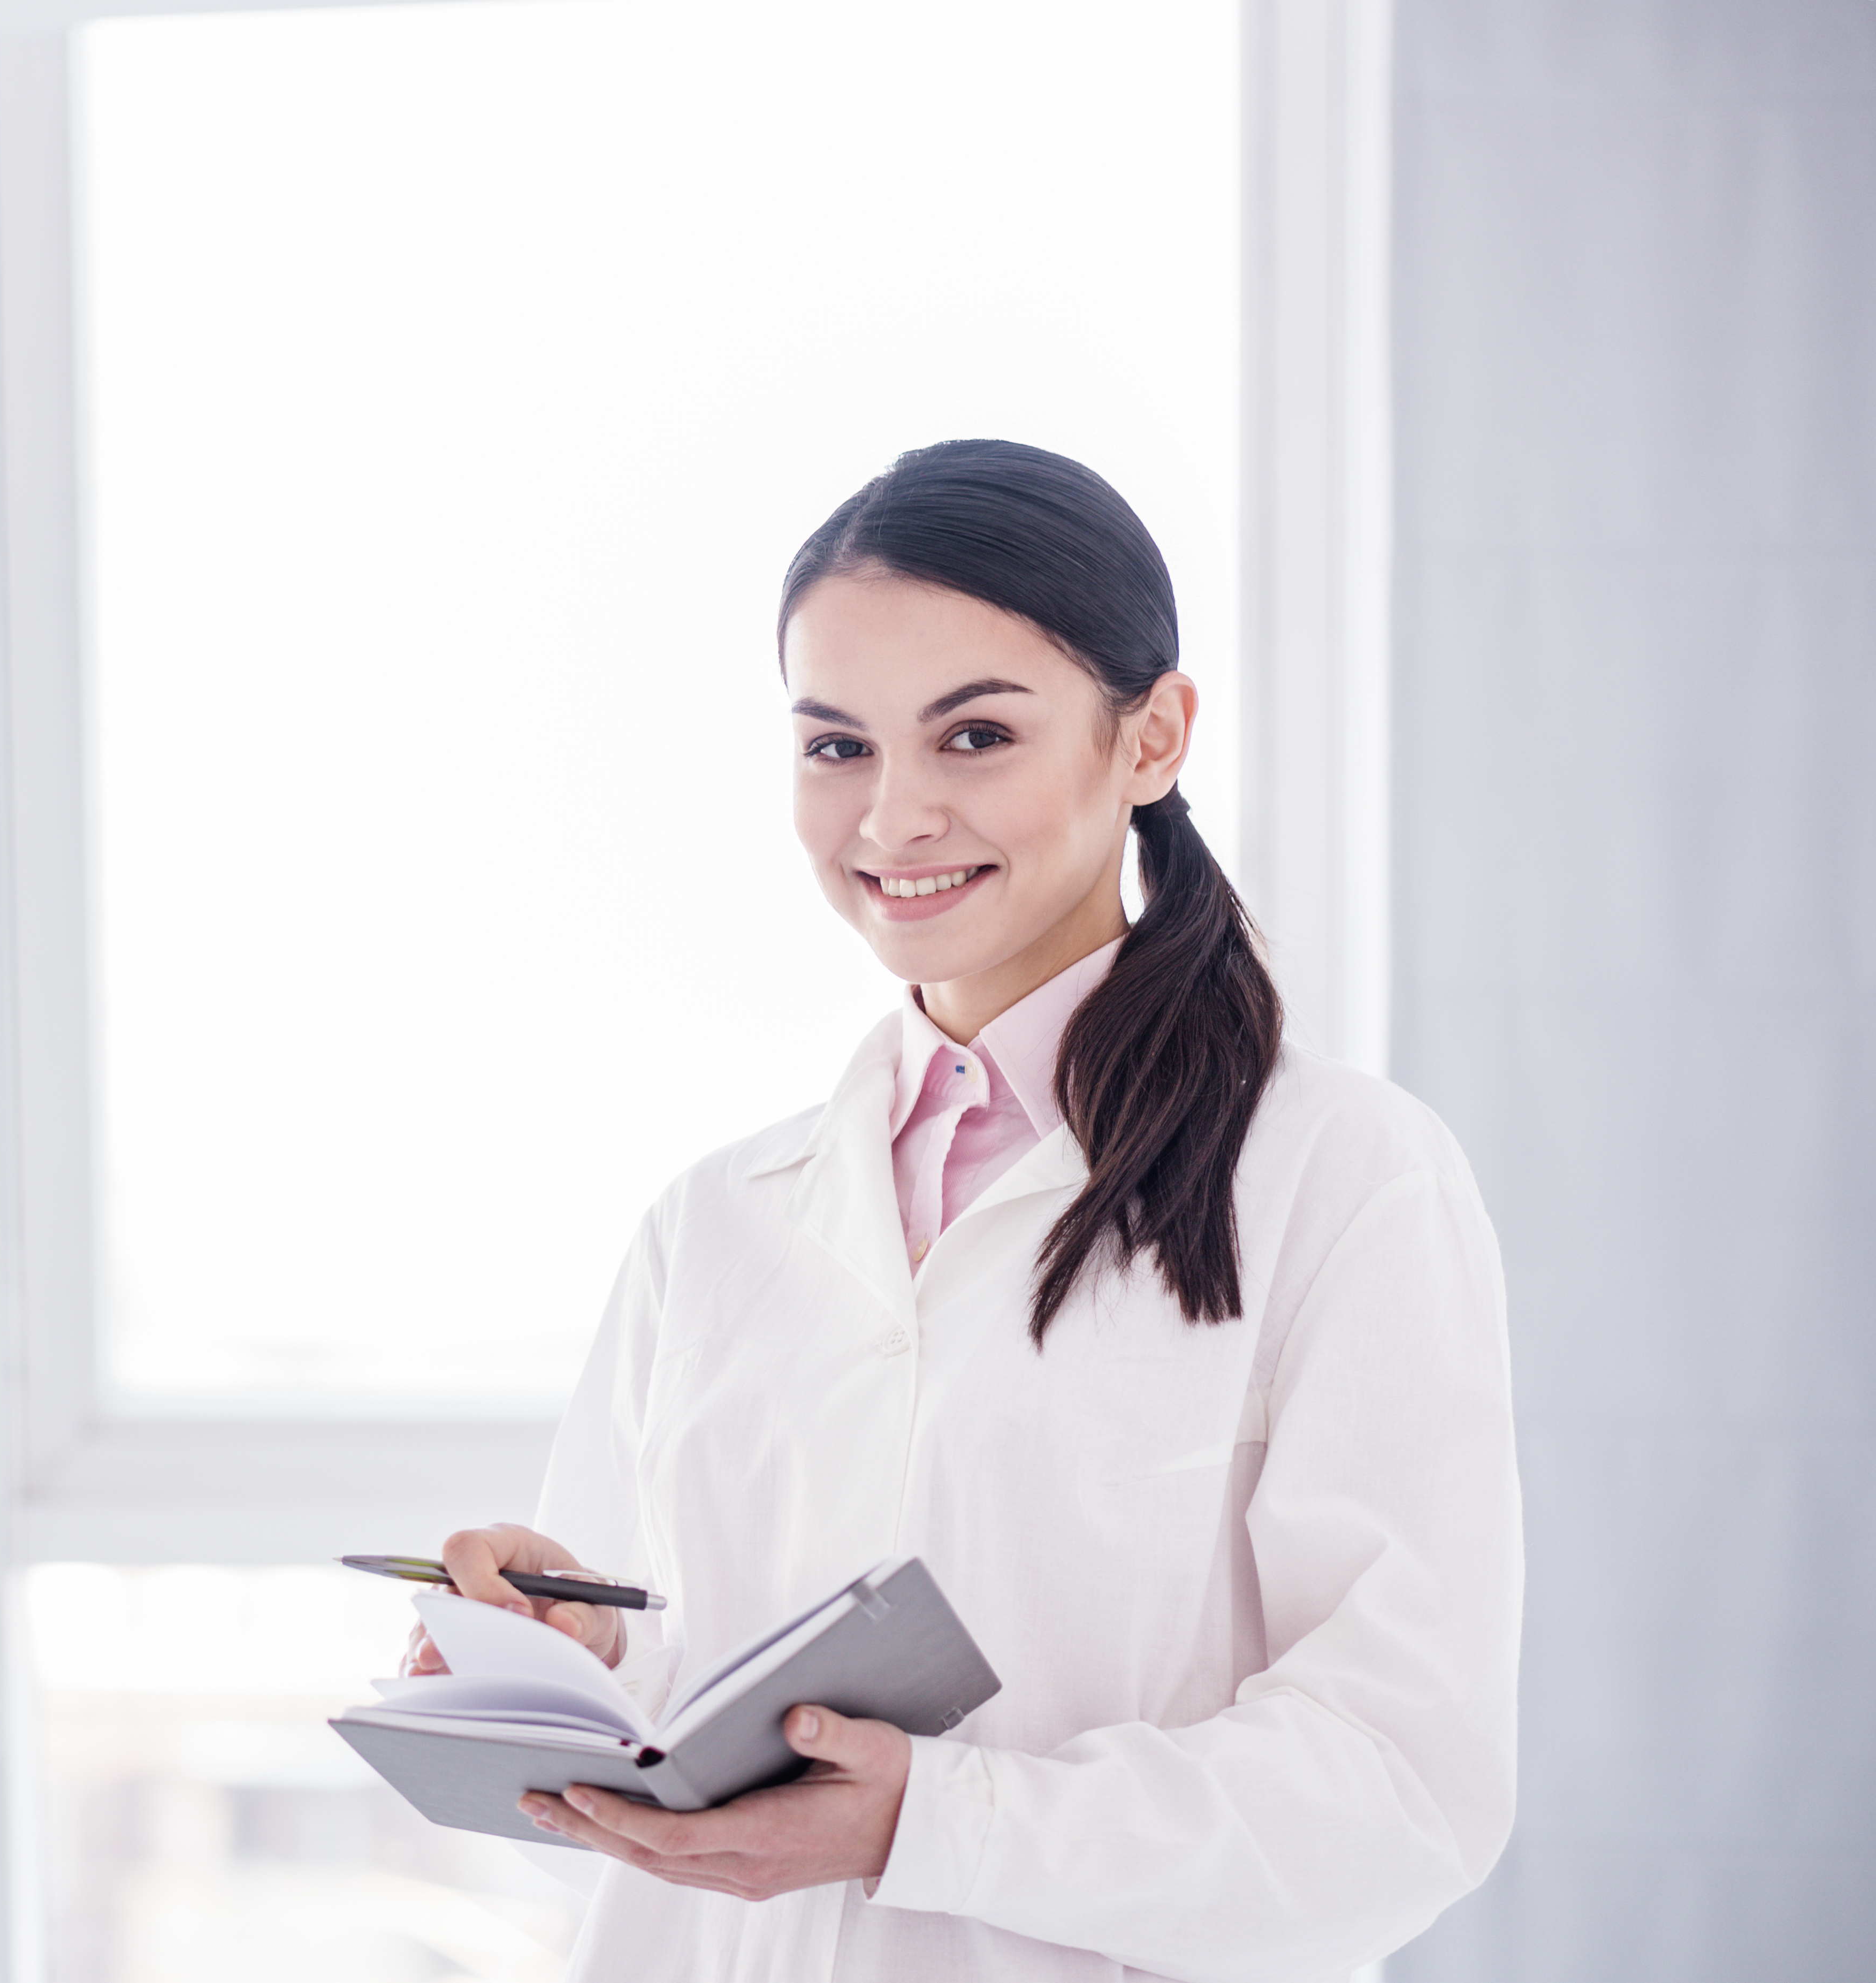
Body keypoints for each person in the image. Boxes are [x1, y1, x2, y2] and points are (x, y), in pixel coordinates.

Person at [401, 441, 1521, 1982]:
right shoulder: (715, 1222)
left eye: (975, 734)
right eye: (836, 746)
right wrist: (575, 1658)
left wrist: (936, 1815)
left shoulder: (1344, 1176)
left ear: (1154, 738)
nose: (895, 817)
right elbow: (680, 1703)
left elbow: (1400, 1786)